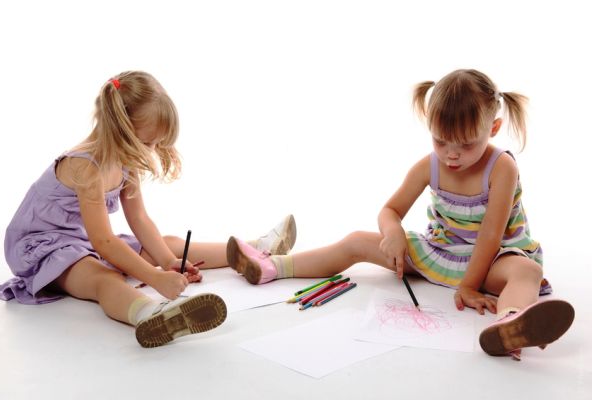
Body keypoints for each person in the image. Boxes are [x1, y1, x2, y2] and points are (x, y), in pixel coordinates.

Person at [226, 69, 575, 360]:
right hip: (441, 254)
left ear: (493, 129)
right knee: (356, 241)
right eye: (441, 141)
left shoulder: (501, 168)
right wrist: (393, 232)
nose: (451, 155)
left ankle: (510, 325)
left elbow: (491, 236)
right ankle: (272, 267)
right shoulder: (429, 166)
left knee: (527, 272)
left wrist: (470, 286)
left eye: (466, 144)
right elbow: (390, 210)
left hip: (493, 260)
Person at [0, 71, 297, 348]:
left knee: (169, 243)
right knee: (104, 278)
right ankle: (151, 314)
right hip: (42, 249)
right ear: (120, 129)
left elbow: (139, 218)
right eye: (148, 142)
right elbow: (104, 241)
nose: (151, 150)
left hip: (80, 240)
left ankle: (256, 248)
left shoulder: (125, 159)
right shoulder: (84, 167)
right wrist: (155, 278)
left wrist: (167, 262)